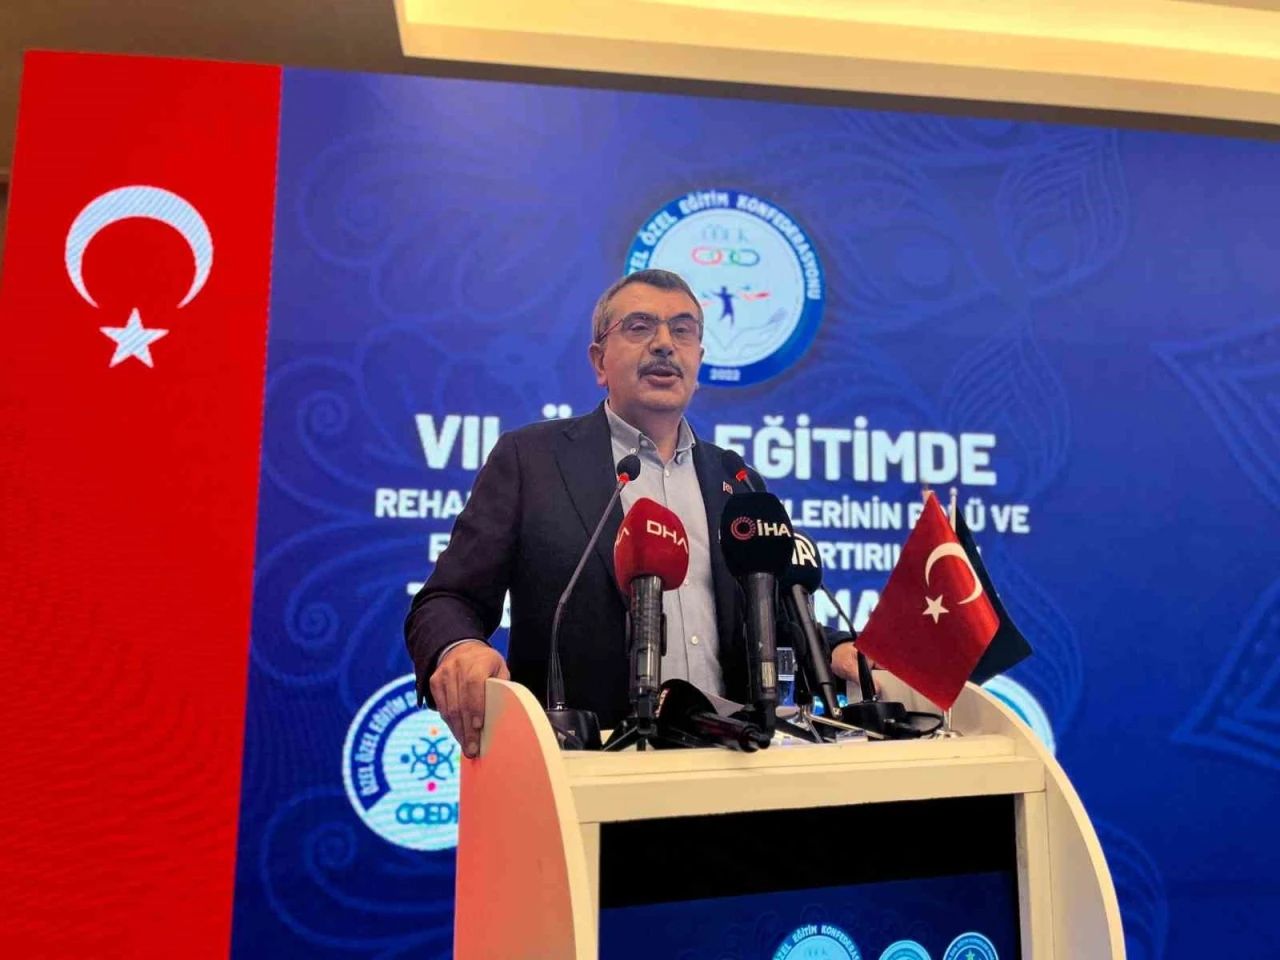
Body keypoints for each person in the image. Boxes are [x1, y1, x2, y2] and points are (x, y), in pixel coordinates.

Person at [404, 269, 865, 756]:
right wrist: (461, 647)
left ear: (698, 358)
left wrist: (838, 650)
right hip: (584, 762)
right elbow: (447, 599)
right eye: (640, 326)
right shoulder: (532, 460)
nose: (664, 344)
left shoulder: (738, 481)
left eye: (682, 330)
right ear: (599, 361)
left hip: (729, 763)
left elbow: (775, 617)